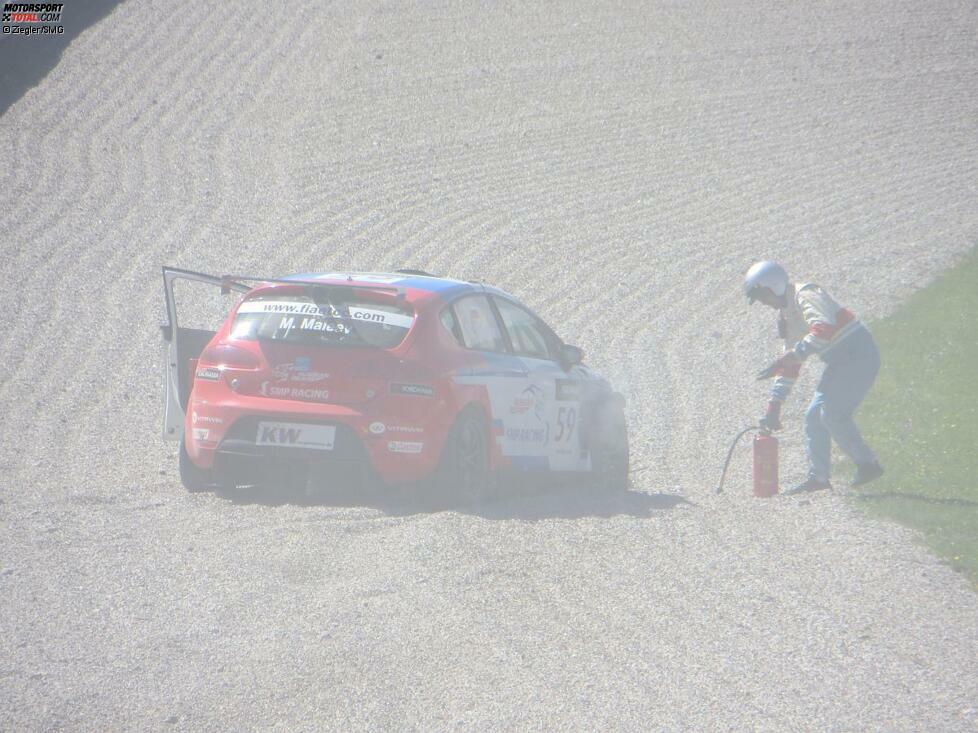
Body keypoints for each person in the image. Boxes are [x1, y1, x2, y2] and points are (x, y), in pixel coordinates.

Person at [744, 261, 884, 494]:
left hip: (859, 356)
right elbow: (790, 363)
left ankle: (868, 464)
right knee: (813, 417)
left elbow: (823, 329)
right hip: (841, 363)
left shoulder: (805, 293)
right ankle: (819, 478)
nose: (764, 303)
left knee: (832, 415)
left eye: (762, 296)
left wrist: (790, 358)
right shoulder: (788, 313)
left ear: (773, 287)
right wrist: (774, 405)